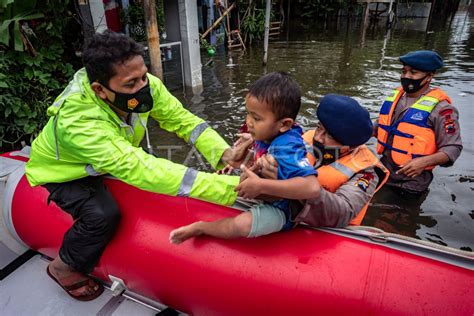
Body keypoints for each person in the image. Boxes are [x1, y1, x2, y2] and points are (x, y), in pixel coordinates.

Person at [25, 32, 251, 301]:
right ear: (100, 89)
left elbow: (183, 120)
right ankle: (63, 267)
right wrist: (232, 189)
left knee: (157, 182)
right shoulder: (78, 120)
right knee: (102, 215)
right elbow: (137, 167)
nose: (143, 86)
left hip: (113, 152)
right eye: (132, 83)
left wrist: (224, 153)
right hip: (65, 173)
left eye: (143, 76)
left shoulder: (144, 86)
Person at [169, 72, 319, 243]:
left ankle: (201, 227)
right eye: (248, 113)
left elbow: (312, 187)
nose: (249, 122)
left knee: (242, 225)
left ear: (284, 124)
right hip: (268, 194)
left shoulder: (287, 146)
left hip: (284, 210)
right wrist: (251, 146)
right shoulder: (270, 133)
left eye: (256, 118)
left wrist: (261, 185)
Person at [243, 94, 390, 228]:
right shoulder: (304, 138)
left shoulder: (366, 171)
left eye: (330, 136)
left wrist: (294, 184)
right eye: (319, 127)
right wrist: (256, 148)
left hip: (333, 233)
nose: (318, 137)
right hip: (285, 214)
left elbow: (343, 212)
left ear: (351, 146)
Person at [374, 50, 462, 195]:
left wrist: (423, 163)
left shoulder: (443, 110)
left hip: (412, 181)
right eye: (404, 71)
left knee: (402, 216)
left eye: (413, 73)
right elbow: (379, 127)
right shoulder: (396, 98)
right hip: (384, 170)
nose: (406, 76)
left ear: (430, 76)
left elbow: (453, 148)